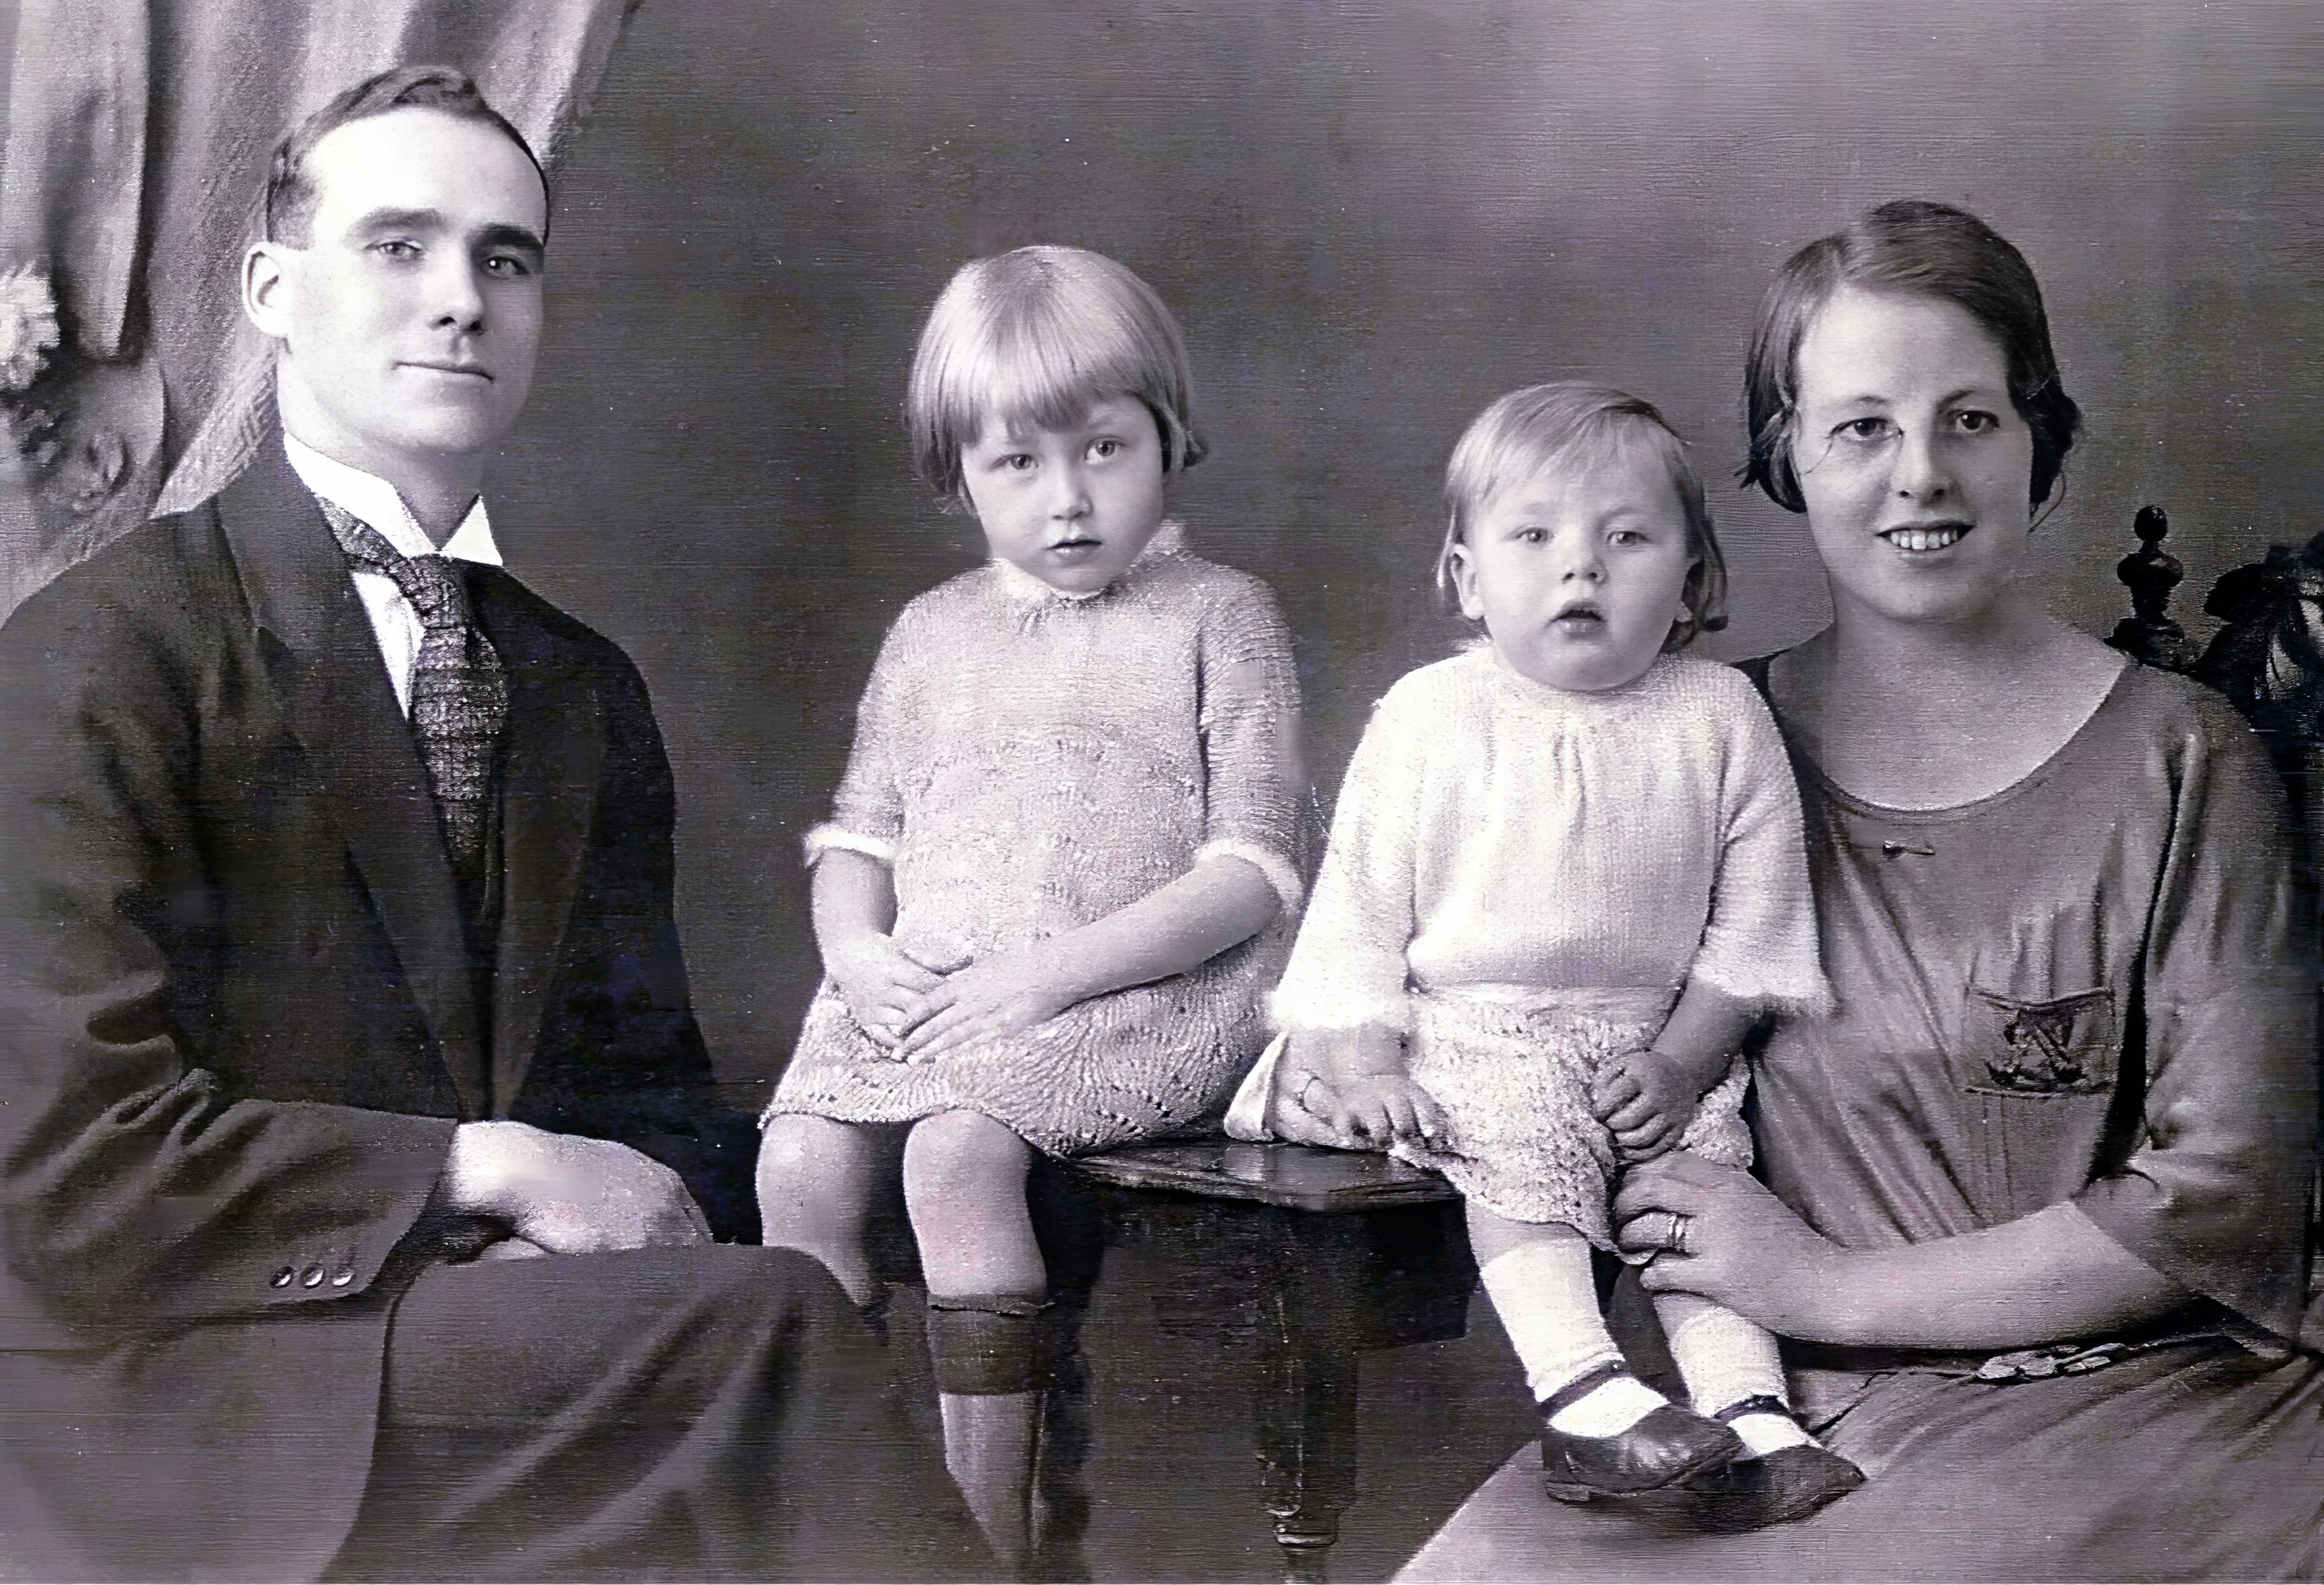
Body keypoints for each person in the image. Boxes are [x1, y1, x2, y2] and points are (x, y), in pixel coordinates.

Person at [0, 66, 985, 1582]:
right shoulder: (96, 653)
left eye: (504, 258)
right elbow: (66, 1156)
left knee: (756, 1336)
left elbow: (654, 1108)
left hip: (490, 1360)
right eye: (397, 246)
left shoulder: (580, 688)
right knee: (774, 1330)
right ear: (273, 291)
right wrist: (484, 1172)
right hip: (173, 1381)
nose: (460, 300)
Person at [1395, 202, 2323, 1581]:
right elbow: (1514, 1004)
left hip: (2139, 1406)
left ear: (2038, 441)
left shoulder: (2182, 757)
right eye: (1861, 428)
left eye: (1969, 420)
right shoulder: (1686, 745)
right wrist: (1354, 1051)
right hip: (1759, 1404)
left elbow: (2225, 1200)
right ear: (1786, 457)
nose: (1919, 476)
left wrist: (1821, 1281)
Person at [753, 244, 1306, 1571]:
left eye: (1104, 449)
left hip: (1148, 981)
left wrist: (1049, 976)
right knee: (797, 1163)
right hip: (947, 980)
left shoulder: (1220, 616)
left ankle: (983, 1544)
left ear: (1168, 437)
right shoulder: (930, 632)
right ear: (960, 476)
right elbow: (857, 838)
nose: (1067, 499)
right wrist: (857, 950)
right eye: (1018, 463)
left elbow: (1251, 871)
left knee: (954, 1154)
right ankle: (848, 1524)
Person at [1235, 383, 1858, 1529]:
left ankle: (1750, 1408)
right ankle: (1582, 1389)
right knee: (1521, 1141)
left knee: (1700, 1175)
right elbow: (1357, 919)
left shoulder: (1719, 716)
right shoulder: (1430, 716)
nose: (1581, 567)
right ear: (1468, 577)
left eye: (1627, 539)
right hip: (1473, 1027)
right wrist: (1366, 1062)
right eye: (1533, 537)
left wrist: (1679, 1064)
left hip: (1654, 1037)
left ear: (1694, 580)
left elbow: (1755, 936)